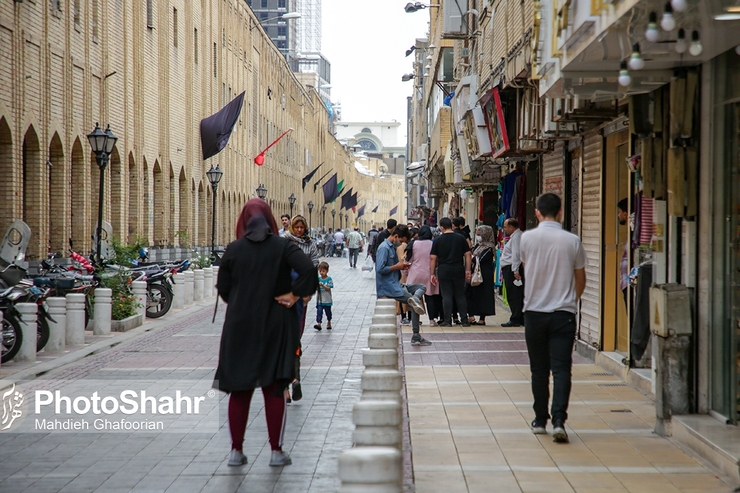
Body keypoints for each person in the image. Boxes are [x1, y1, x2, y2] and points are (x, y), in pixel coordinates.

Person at [214, 198, 317, 468]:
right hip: (275, 323)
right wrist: (295, 295)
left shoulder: (233, 250)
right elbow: (309, 270)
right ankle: (276, 451)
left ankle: (236, 451)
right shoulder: (283, 247)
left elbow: (223, 289)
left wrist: (241, 301)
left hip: (240, 326)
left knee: (240, 389)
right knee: (274, 387)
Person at [520, 193, 587, 444]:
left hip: (534, 314)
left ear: (537, 212)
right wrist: (570, 300)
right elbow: (581, 279)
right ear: (561, 212)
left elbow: (527, 269)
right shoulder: (572, 241)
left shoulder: (526, 238)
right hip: (563, 315)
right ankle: (559, 420)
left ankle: (540, 420)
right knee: (561, 369)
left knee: (539, 369)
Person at [282, 215, 320, 403]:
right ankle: (288, 385)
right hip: (283, 296)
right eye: (296, 227)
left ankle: (291, 382)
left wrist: (307, 293)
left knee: (295, 337)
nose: (298, 230)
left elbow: (314, 268)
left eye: (301, 227)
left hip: (300, 296)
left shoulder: (310, 244)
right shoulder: (285, 242)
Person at [375, 224, 431, 346]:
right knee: (415, 303)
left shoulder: (391, 247)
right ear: (395, 236)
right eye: (401, 241)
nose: (401, 244)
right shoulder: (384, 248)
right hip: (389, 287)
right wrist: (398, 266)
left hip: (397, 283)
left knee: (421, 287)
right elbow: (380, 269)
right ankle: (416, 335)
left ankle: (414, 300)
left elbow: (391, 267)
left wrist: (401, 265)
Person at [430, 217, 471, 327]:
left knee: (446, 295)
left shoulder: (438, 240)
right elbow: (468, 254)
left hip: (444, 270)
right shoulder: (461, 238)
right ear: (451, 226)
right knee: (460, 295)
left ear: (442, 227)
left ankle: (447, 321)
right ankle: (464, 320)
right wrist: (468, 270)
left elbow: (433, 258)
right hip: (458, 269)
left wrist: (432, 274)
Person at [405, 225, 441, 326]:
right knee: (430, 297)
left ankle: (413, 320)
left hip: (415, 273)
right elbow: (435, 259)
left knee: (414, 298)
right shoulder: (433, 243)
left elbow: (408, 260)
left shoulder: (413, 243)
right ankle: (432, 320)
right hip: (429, 273)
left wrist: (405, 273)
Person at [466, 225, 496, 325]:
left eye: (479, 232)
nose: (477, 234)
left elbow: (481, 259)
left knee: (484, 296)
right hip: (475, 272)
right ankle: (471, 316)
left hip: (484, 274)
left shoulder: (489, 247)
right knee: (471, 294)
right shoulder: (478, 245)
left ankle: (482, 318)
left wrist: (472, 257)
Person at [500, 218, 524, 327]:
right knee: (514, 294)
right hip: (510, 268)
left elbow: (516, 254)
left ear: (511, 227)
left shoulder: (517, 237)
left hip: (512, 269)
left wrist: (515, 270)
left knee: (514, 295)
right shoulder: (514, 236)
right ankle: (519, 317)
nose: (504, 229)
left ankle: (515, 318)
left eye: (505, 227)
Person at [314, 261, 334, 331]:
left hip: (327, 300)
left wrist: (322, 285)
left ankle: (329, 321)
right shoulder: (318, 279)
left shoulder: (329, 279)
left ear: (327, 271)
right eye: (320, 271)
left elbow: (329, 288)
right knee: (319, 311)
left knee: (328, 312)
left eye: (323, 271)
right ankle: (319, 323)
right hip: (320, 300)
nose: (322, 272)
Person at [618, 198, 629, 307]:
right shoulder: (631, 233)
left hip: (630, 284)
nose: (618, 215)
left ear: (625, 214)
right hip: (627, 283)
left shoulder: (633, 233)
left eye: (619, 212)